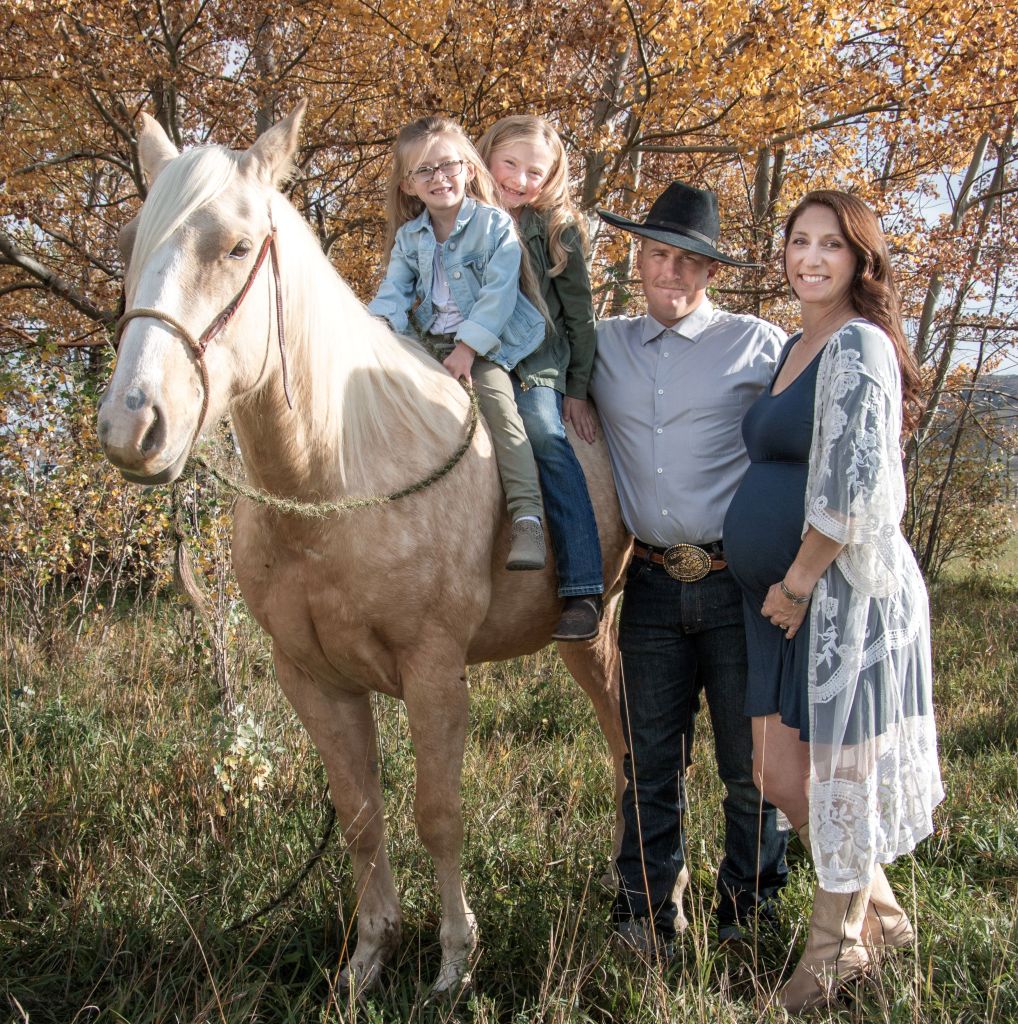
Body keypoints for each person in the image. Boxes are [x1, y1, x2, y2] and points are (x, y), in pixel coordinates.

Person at [723, 190, 944, 1011]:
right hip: (776, 603)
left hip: (835, 597)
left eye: (830, 246)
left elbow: (860, 486)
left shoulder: (859, 344)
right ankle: (883, 920)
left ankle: (830, 960)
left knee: (836, 781)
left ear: (860, 260)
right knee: (779, 779)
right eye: (798, 242)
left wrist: (799, 580)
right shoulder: (795, 343)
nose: (810, 258)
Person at [589, 181, 789, 952]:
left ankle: (748, 915)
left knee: (752, 769)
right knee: (649, 764)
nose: (669, 274)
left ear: (710, 274)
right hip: (646, 587)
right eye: (656, 255)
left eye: (687, 263)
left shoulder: (758, 344)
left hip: (740, 583)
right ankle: (645, 914)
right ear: (638, 259)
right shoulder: (603, 345)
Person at [369, 115, 548, 570]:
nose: (439, 177)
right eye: (424, 171)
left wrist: (467, 350)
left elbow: (498, 295)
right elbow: (393, 294)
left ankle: (527, 517)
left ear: (469, 168)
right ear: (408, 186)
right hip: (426, 342)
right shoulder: (410, 239)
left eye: (447, 165)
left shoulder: (493, 227)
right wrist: (375, 338)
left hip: (483, 345)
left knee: (503, 415)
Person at [476, 115, 604, 640]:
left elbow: (580, 314)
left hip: (534, 364)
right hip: (471, 356)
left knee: (547, 439)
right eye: (510, 164)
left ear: (551, 178)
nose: (520, 180)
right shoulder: (463, 219)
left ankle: (583, 586)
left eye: (536, 172)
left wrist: (576, 387)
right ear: (485, 158)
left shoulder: (556, 229)